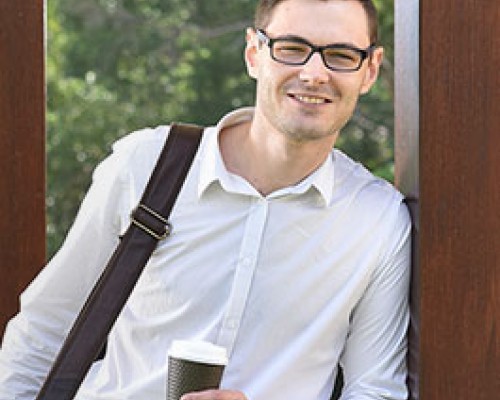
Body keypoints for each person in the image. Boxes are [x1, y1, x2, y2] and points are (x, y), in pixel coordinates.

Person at [0, 0, 411, 399]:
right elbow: (43, 333)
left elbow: (376, 390)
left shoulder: (376, 220)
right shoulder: (144, 166)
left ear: (370, 70)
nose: (314, 73)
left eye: (340, 55)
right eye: (292, 49)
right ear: (254, 53)